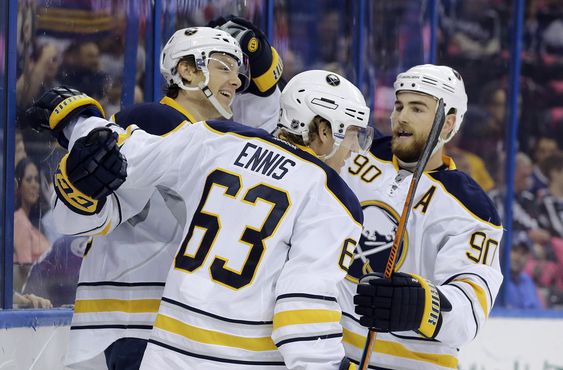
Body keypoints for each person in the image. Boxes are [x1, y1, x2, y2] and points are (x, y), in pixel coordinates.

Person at [36, 69, 373, 368]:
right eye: (355, 134)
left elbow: (128, 150)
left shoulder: (217, 140)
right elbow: (301, 314)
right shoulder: (333, 199)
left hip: (167, 355)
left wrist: (78, 121)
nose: (357, 150)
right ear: (325, 131)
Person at [26, 21, 283, 369]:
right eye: (224, 67)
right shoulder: (154, 121)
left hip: (177, 325)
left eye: (239, 72)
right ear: (188, 71)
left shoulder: (209, 137)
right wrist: (82, 131)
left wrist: (81, 122)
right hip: (145, 325)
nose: (237, 81)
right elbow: (78, 218)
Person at [340, 64, 504, 369]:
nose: (400, 116)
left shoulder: (469, 207)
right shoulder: (355, 154)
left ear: (447, 124)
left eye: (417, 109)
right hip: (330, 356)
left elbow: (470, 312)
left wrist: (423, 307)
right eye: (399, 106)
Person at [13, 158, 50, 292]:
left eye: (36, 179)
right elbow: (25, 271)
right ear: (18, 185)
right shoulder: (19, 222)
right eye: (29, 180)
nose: (35, 185)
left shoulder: (32, 223)